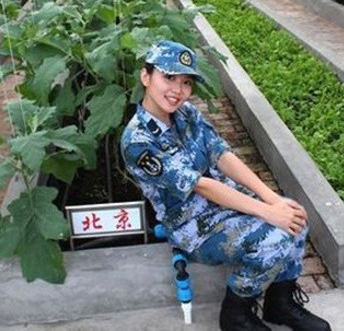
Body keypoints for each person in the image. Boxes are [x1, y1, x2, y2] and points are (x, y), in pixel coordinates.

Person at [120, 40, 331, 331]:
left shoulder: (186, 114)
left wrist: (273, 200)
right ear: (146, 77)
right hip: (193, 227)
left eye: (186, 82)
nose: (177, 90)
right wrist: (268, 212)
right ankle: (236, 314)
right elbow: (201, 186)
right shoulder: (138, 141)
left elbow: (222, 155)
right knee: (273, 239)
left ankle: (279, 304)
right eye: (168, 77)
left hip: (224, 206)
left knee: (294, 216)